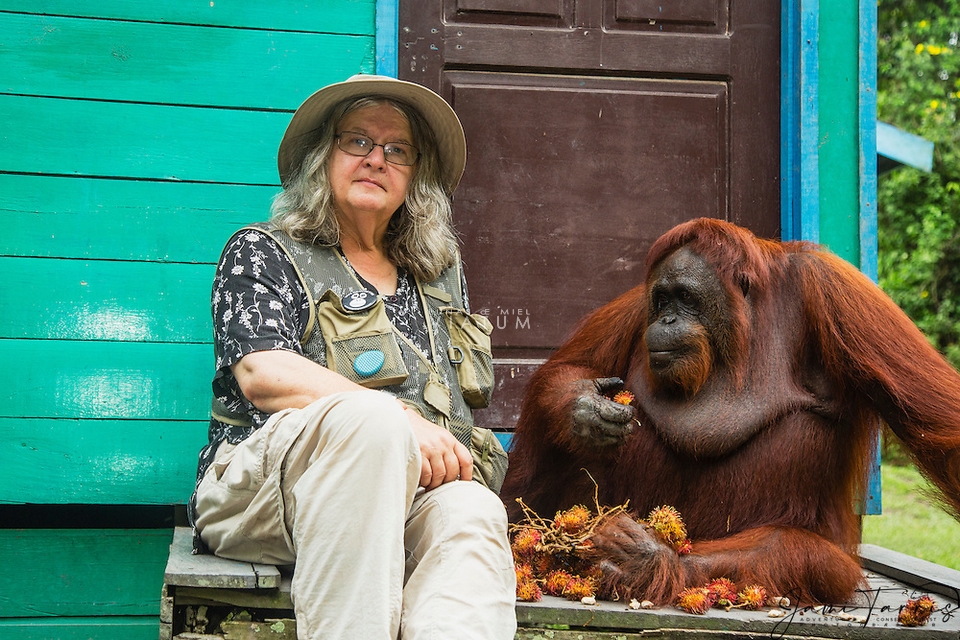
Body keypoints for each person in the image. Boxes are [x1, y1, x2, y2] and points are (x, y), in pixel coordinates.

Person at [189, 74, 516, 640]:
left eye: (397, 151)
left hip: (404, 501)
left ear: (416, 177)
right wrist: (401, 418)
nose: (376, 160)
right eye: (357, 142)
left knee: (473, 511)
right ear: (323, 156)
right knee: (373, 422)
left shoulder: (437, 278)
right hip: (262, 495)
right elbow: (262, 373)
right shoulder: (264, 251)